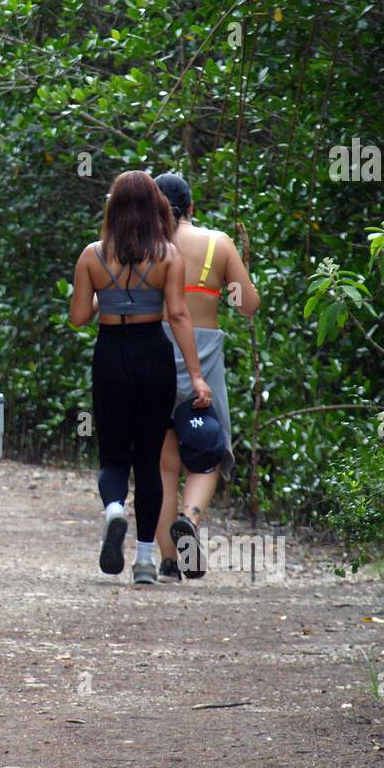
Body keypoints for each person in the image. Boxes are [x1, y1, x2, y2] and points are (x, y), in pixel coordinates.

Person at [69, 171, 211, 586]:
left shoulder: (92, 256)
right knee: (149, 459)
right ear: (155, 207)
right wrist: (198, 378)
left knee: (114, 455)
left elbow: (79, 317)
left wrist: (102, 295)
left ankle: (114, 509)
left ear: (112, 207)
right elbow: (179, 315)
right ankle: (146, 561)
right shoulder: (168, 255)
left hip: (111, 354)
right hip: (154, 354)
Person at [152, 172, 260, 582]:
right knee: (208, 452)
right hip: (205, 357)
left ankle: (167, 559)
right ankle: (190, 520)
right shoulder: (218, 244)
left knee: (165, 465)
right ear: (191, 207)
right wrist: (239, 272)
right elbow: (247, 305)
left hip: (156, 350)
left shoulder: (145, 247)